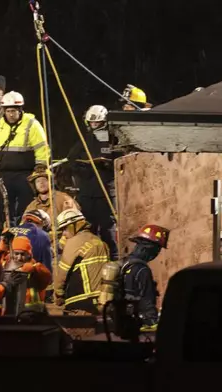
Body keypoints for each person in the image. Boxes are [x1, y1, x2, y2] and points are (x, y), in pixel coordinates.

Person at [0, 91, 49, 231]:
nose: (11, 114)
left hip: (26, 174)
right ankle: (6, 233)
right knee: (5, 206)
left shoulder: (32, 125)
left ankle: (26, 231)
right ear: (4, 110)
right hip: (4, 174)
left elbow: (42, 148)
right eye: (8, 111)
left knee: (26, 205)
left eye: (14, 111)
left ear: (20, 110)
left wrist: (40, 168)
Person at [67, 105, 120, 260]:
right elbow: (72, 159)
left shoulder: (113, 139)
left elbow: (120, 159)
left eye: (97, 123)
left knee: (107, 229)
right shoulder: (86, 139)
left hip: (105, 192)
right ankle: (88, 258)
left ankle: (114, 259)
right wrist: (80, 168)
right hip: (87, 192)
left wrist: (108, 166)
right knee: (87, 228)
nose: (94, 126)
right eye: (91, 123)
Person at [53, 208, 110, 315]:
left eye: (65, 229)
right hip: (101, 300)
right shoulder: (99, 242)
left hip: (79, 301)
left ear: (73, 226)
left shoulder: (73, 243)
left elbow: (62, 274)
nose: (64, 234)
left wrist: (59, 294)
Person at [0, 235, 52, 314]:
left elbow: (47, 279)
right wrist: (0, 249)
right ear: (11, 253)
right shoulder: (3, 266)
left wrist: (35, 268)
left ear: (29, 255)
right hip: (4, 314)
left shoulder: (34, 268)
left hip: (29, 315)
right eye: (16, 254)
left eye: (22, 254)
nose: (19, 258)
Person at [120, 224, 170, 331]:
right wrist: (153, 321)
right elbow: (146, 300)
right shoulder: (142, 270)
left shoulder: (124, 263)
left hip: (121, 321)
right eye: (158, 250)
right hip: (136, 324)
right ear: (151, 249)